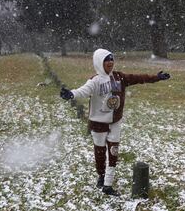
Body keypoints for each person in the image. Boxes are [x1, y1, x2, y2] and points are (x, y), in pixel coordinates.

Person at [60, 48, 170, 196]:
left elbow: (138, 78)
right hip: (98, 123)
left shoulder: (119, 77)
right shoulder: (95, 81)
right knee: (100, 152)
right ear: (99, 62)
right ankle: (101, 176)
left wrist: (156, 77)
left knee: (113, 152)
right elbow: (84, 90)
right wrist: (71, 94)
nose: (110, 62)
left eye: (112, 59)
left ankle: (108, 185)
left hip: (115, 122)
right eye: (106, 60)